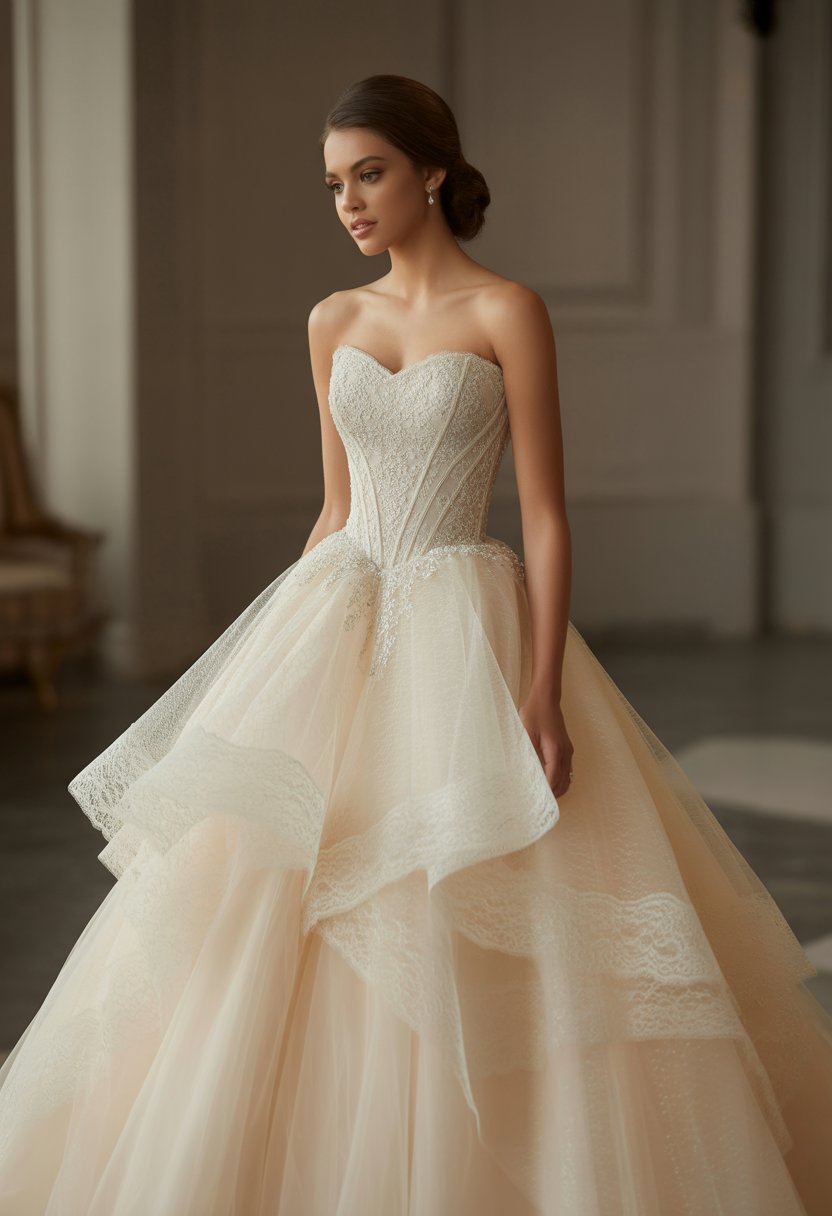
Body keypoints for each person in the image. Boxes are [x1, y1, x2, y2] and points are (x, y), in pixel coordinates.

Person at [1, 72, 831, 1216]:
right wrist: (271, 657)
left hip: (463, 623)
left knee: (471, 893)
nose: (347, 201)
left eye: (370, 173)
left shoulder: (506, 311)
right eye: (334, 183)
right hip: (338, 610)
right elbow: (335, 508)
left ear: (432, 169)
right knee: (267, 897)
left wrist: (539, 694)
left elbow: (542, 513)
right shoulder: (331, 319)